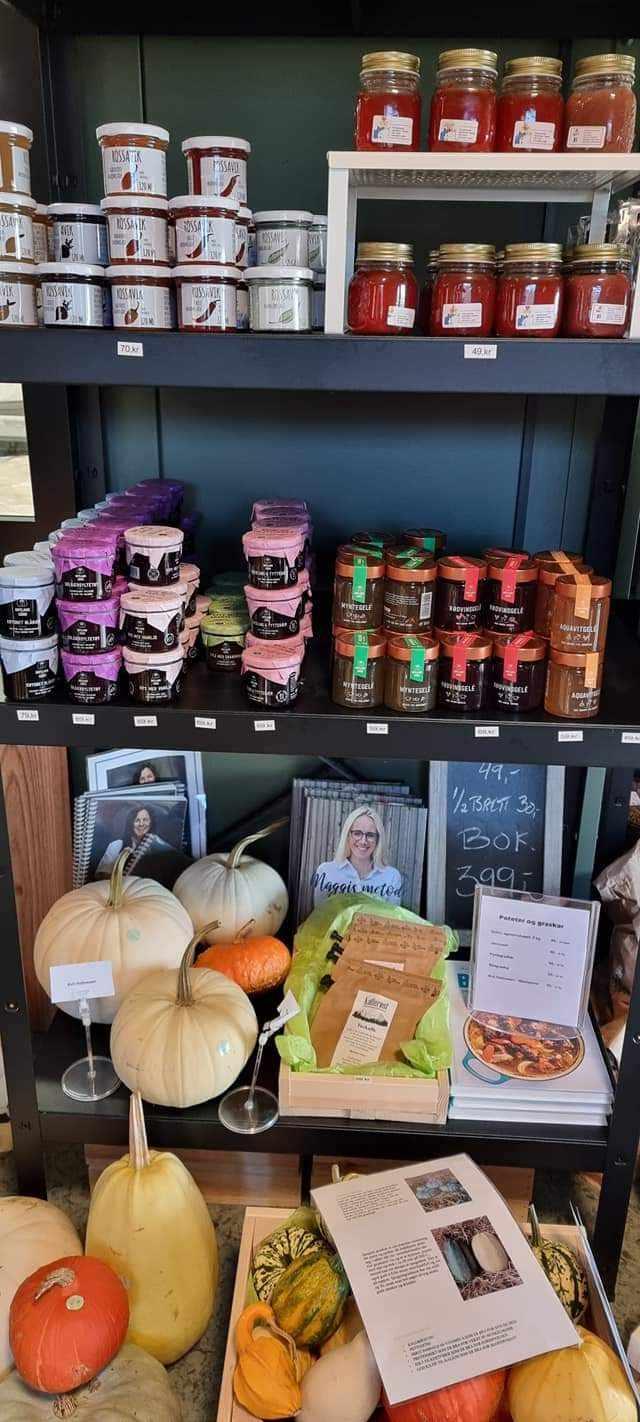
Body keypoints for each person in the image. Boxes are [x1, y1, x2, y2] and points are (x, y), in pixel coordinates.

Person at [311, 805, 403, 908]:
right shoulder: (326, 872)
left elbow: (392, 916)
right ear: (347, 835)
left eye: (370, 835)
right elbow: (320, 914)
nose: (363, 841)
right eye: (357, 833)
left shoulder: (392, 877)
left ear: (378, 839)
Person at [95, 803, 174, 877]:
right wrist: (120, 862)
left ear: (151, 823)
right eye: (137, 820)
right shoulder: (117, 845)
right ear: (130, 823)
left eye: (145, 820)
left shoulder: (160, 845)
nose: (141, 824)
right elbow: (101, 876)